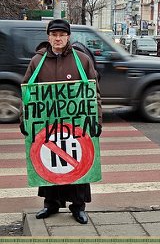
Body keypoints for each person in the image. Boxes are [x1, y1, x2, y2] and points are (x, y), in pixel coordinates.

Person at [19, 19, 102, 225]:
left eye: (61, 35)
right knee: (50, 163)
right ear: (48, 37)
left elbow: (94, 93)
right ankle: (51, 204)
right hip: (47, 126)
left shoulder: (82, 60)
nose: (58, 38)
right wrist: (25, 119)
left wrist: (96, 120)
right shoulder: (37, 62)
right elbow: (27, 93)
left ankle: (78, 206)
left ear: (68, 37)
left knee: (78, 163)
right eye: (54, 35)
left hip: (76, 126)